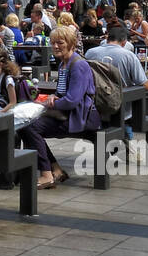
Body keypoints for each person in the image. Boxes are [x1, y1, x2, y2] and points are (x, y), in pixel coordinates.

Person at [21, 26, 98, 191]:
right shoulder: (64, 64)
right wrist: (52, 97)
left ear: (71, 43)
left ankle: (47, 174)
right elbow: (62, 93)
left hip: (80, 118)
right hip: (67, 115)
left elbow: (72, 100)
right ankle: (55, 169)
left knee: (31, 127)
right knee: (26, 125)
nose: (55, 46)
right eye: (53, 43)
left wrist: (47, 104)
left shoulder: (78, 65)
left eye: (60, 43)